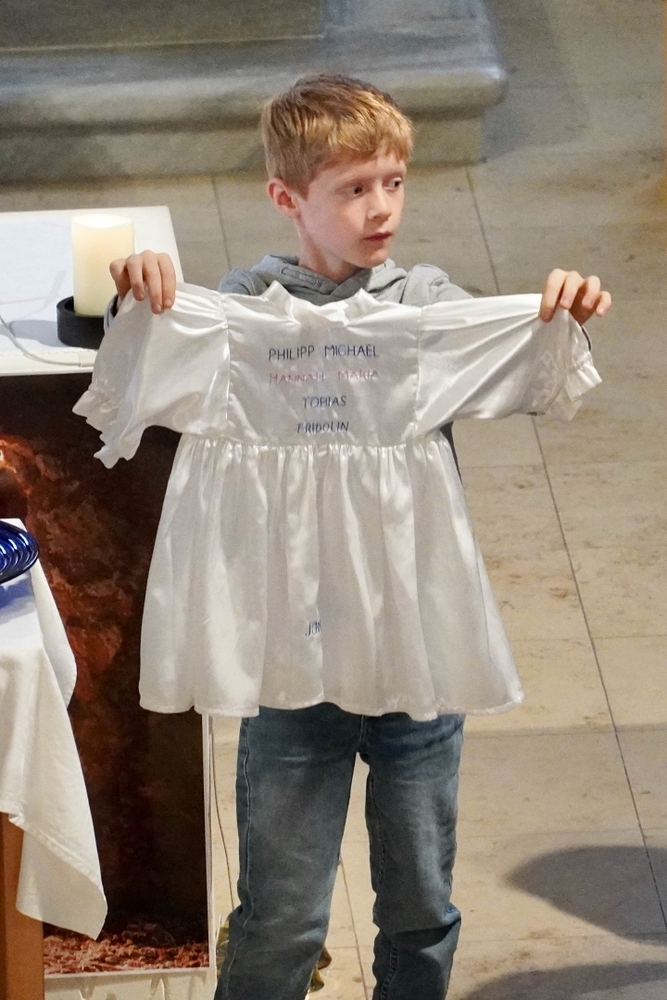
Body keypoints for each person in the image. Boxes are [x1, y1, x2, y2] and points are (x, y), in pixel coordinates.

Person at [106, 75, 611, 1000]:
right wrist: (143, 298)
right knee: (281, 916)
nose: (381, 208)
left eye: (394, 182)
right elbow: (146, 366)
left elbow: (530, 363)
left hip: (415, 657)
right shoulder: (243, 308)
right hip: (295, 668)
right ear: (286, 197)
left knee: (420, 907)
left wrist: (558, 310)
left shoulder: (425, 304)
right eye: (352, 188)